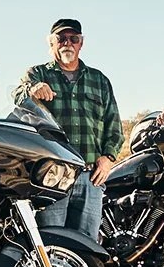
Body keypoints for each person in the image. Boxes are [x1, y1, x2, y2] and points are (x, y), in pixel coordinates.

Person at [15, 18, 123, 240]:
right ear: (51, 43)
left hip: (90, 176)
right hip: (51, 175)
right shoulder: (37, 74)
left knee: (86, 244)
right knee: (50, 242)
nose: (67, 43)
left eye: (73, 39)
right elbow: (17, 97)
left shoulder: (99, 80)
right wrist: (32, 89)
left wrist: (108, 158)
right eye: (61, 38)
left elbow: (114, 125)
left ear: (81, 43)